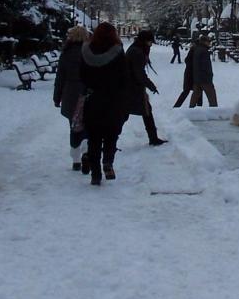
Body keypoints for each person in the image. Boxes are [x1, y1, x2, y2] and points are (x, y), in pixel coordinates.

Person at [79, 22, 129, 185]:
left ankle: (95, 174)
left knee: (93, 138)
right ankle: (108, 162)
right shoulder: (118, 52)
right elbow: (124, 77)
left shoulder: (86, 52)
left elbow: (82, 76)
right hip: (113, 100)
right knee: (111, 135)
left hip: (93, 99)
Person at [53, 25, 89, 170]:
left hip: (70, 94)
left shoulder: (66, 54)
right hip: (87, 92)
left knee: (74, 127)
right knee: (87, 124)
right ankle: (87, 150)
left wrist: (57, 97)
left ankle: (75, 159)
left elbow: (60, 78)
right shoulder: (89, 52)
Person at [126, 29, 167, 146]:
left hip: (131, 85)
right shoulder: (137, 52)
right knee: (142, 111)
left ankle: (153, 137)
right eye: (150, 42)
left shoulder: (136, 49)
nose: (151, 44)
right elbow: (139, 73)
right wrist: (150, 85)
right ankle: (153, 138)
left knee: (144, 111)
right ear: (145, 41)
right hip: (132, 86)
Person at [191, 34, 219, 107]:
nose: (209, 43)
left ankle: (190, 111)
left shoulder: (197, 49)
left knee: (195, 96)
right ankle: (214, 112)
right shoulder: (204, 51)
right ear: (204, 42)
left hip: (197, 77)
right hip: (205, 79)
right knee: (212, 98)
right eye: (208, 41)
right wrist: (209, 75)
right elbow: (205, 66)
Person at [174, 40, 196, 107]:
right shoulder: (194, 51)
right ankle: (196, 108)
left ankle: (177, 106)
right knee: (194, 92)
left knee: (190, 91)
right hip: (192, 75)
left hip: (190, 74)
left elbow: (187, 60)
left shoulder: (193, 51)